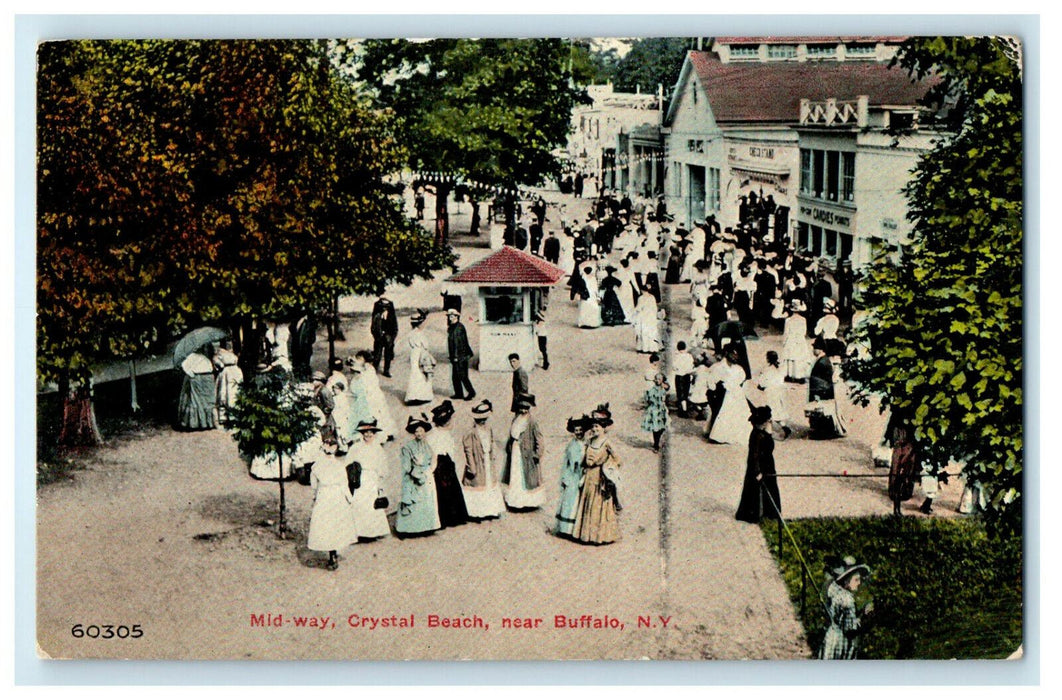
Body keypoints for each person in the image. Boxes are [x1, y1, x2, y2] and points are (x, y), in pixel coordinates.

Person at [307, 435, 359, 570]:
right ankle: (331, 553)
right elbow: (314, 485)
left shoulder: (339, 466)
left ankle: (333, 554)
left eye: (332, 445)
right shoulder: (316, 466)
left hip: (336, 496)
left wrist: (349, 498)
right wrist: (315, 498)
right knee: (326, 524)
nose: (329, 448)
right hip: (324, 495)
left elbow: (344, 484)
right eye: (327, 445)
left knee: (335, 524)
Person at [571, 413, 621, 545]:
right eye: (593, 426)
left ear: (604, 428)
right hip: (589, 476)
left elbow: (617, 459)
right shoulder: (591, 440)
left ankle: (598, 536)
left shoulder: (607, 443)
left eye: (597, 426)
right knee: (588, 502)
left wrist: (608, 468)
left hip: (600, 478)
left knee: (598, 504)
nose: (595, 429)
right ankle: (586, 535)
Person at [818, 557, 874, 660]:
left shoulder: (835, 590)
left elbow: (843, 618)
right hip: (841, 642)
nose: (859, 583)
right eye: (856, 580)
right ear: (847, 581)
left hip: (832, 636)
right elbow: (850, 629)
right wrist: (864, 616)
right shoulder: (848, 600)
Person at [395, 414, 441, 537]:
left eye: (421, 430)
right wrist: (415, 473)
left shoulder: (428, 445)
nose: (419, 434)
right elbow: (406, 465)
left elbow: (434, 459)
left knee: (427, 500)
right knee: (413, 501)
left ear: (425, 431)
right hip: (412, 476)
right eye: (416, 431)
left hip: (426, 476)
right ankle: (409, 530)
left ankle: (427, 527)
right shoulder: (407, 447)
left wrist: (429, 471)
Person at [346, 420, 391, 541]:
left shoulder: (378, 448)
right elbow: (348, 463)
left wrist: (380, 480)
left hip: (373, 478)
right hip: (360, 477)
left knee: (372, 504)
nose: (368, 435)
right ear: (362, 434)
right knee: (360, 503)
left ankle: (373, 532)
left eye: (371, 433)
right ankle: (360, 532)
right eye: (365, 433)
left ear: (374, 434)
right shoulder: (356, 447)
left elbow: (383, 466)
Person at [461, 400, 506, 520]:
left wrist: (493, 454)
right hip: (477, 462)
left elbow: (491, 442)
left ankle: (491, 510)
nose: (483, 422)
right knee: (478, 485)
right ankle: (478, 512)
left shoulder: (489, 430)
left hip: (487, 460)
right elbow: (468, 451)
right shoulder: (470, 433)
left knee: (489, 484)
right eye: (480, 419)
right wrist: (472, 466)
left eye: (485, 419)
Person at [735, 406, 781, 523]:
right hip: (759, 466)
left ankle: (770, 513)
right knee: (755, 490)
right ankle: (753, 515)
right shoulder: (757, 436)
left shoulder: (763, 433)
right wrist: (757, 471)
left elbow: (779, 437)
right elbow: (754, 456)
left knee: (769, 488)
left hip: (767, 464)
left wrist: (769, 432)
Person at [427, 400, 469, 528]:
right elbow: (436, 452)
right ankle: (448, 517)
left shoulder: (438, 433)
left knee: (449, 491)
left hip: (446, 464)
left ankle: (452, 516)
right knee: (444, 490)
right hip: (441, 465)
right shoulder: (438, 435)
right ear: (447, 422)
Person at [501, 393, 545, 510]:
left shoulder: (532, 421)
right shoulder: (516, 418)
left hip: (527, 454)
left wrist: (538, 453)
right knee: (515, 475)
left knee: (526, 478)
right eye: (521, 407)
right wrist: (509, 447)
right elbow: (511, 434)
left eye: (526, 408)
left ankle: (528, 502)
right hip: (515, 450)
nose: (523, 410)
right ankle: (516, 501)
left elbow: (539, 438)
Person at [554, 416, 589, 538]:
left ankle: (576, 530)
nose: (578, 432)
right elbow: (566, 462)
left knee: (580, 502)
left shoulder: (586, 444)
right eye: (576, 430)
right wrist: (564, 477)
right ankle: (566, 529)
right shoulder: (571, 445)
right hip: (572, 475)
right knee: (570, 501)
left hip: (582, 474)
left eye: (580, 430)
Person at [706, 349, 750, 445]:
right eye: (733, 354)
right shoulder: (719, 367)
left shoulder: (738, 368)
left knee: (735, 413)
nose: (735, 357)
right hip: (720, 392)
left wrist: (735, 385)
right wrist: (714, 389)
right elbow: (711, 380)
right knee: (719, 413)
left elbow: (742, 379)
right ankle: (716, 434)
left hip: (735, 393)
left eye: (736, 355)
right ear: (727, 354)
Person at [351, 350, 397, 441]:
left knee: (378, 414)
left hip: (373, 396)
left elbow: (368, 384)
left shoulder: (369, 369)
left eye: (360, 358)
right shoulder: (362, 368)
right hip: (369, 395)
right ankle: (384, 432)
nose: (358, 360)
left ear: (365, 360)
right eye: (357, 358)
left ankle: (384, 434)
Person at [886, 411, 918, 516]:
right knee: (900, 465)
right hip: (902, 431)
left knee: (906, 465)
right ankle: (898, 492)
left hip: (908, 432)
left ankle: (902, 491)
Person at [178, 348, 217, 430]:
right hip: (208, 377)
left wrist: (191, 375)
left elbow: (184, 366)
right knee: (206, 400)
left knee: (196, 400)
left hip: (198, 377)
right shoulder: (205, 358)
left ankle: (197, 423)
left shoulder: (189, 357)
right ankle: (208, 422)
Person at [754, 351, 791, 437]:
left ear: (767, 359)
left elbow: (762, 383)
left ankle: (769, 432)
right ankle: (784, 427)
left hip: (769, 393)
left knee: (769, 412)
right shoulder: (780, 369)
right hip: (778, 392)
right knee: (777, 411)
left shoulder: (766, 370)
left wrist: (759, 385)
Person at [404, 309, 435, 405]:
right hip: (420, 353)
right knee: (420, 373)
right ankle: (421, 395)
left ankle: (414, 395)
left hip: (414, 354)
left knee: (415, 372)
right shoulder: (419, 334)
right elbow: (425, 346)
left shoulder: (411, 333)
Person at [445, 308, 476, 401]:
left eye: (452, 316)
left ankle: (471, 393)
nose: (450, 318)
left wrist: (456, 357)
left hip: (461, 356)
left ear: (456, 317)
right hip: (456, 356)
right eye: (449, 316)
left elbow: (459, 344)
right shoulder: (452, 327)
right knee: (455, 376)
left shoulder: (459, 328)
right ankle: (459, 393)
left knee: (463, 376)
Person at [213, 341, 243, 427]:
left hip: (232, 373)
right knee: (225, 393)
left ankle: (232, 415)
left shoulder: (229, 354)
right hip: (229, 373)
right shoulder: (220, 354)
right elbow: (220, 365)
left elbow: (219, 365)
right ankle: (226, 416)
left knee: (231, 393)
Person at [782, 301, 813, 383]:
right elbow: (804, 332)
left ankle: (789, 375)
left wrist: (784, 342)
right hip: (799, 339)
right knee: (799, 357)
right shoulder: (803, 320)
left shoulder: (788, 320)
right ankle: (799, 375)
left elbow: (786, 332)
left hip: (791, 339)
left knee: (790, 357)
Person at [370, 289, 399, 378]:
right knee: (377, 353)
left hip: (389, 334)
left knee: (388, 354)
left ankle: (386, 370)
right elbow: (374, 322)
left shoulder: (391, 306)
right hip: (379, 335)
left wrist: (393, 335)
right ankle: (374, 369)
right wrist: (375, 333)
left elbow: (394, 322)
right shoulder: (377, 307)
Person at [642, 373, 670, 452]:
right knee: (655, 428)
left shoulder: (663, 387)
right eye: (656, 379)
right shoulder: (652, 389)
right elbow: (647, 399)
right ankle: (656, 445)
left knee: (663, 427)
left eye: (659, 379)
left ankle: (657, 441)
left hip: (662, 410)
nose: (657, 381)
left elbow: (668, 387)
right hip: (654, 410)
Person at [672, 341, 695, 417]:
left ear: (678, 348)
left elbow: (674, 367)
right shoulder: (689, 356)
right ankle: (685, 408)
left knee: (680, 393)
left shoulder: (677, 357)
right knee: (685, 392)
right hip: (687, 376)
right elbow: (692, 366)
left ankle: (683, 410)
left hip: (679, 376)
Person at [577, 264, 602, 329]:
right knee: (592, 308)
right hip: (592, 295)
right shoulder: (593, 279)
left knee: (584, 308)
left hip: (585, 296)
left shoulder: (582, 278)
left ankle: (583, 322)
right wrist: (598, 297)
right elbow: (595, 289)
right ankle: (592, 323)